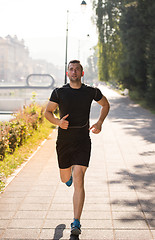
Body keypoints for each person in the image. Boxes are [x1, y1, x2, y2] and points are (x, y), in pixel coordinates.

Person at [45, 60, 110, 236]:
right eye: (71, 69)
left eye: (77, 69)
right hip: (64, 142)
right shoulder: (59, 92)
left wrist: (100, 122)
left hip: (82, 141)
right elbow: (47, 112)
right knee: (65, 178)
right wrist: (59, 122)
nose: (74, 72)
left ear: (82, 73)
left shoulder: (91, 92)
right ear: (68, 73)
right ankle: (68, 177)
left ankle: (76, 222)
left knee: (79, 178)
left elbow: (105, 104)